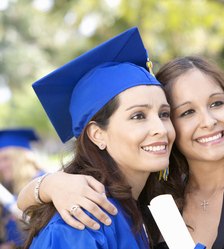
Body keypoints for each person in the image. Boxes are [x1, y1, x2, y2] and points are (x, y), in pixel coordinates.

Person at [18, 55, 224, 249]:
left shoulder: (140, 206)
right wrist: (47, 186)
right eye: (185, 112)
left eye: (163, 114)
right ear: (98, 134)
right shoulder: (101, 213)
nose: (207, 121)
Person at [20, 27, 176, 249]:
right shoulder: (81, 222)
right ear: (97, 134)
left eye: (164, 114)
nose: (160, 128)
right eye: (138, 116)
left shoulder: (137, 209)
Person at [0, 128, 43, 249]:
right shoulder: (9, 185)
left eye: (6, 158)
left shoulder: (43, 183)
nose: (1, 166)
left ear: (22, 157)